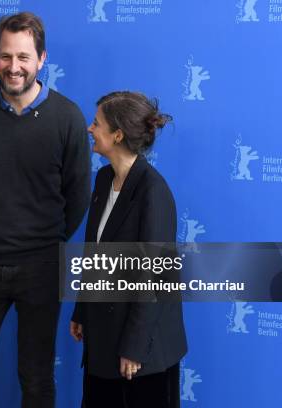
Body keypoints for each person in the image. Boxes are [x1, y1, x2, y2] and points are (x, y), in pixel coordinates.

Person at [0, 11, 91, 408]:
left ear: (42, 59)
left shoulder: (67, 117)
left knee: (37, 380)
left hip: (41, 266)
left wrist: (45, 237)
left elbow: (78, 195)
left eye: (24, 57)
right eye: (6, 56)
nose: (14, 67)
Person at [70, 91, 187, 408]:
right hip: (103, 340)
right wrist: (82, 310)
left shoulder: (153, 192)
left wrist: (135, 347)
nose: (89, 128)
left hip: (143, 354)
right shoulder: (104, 179)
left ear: (117, 135)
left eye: (96, 123)